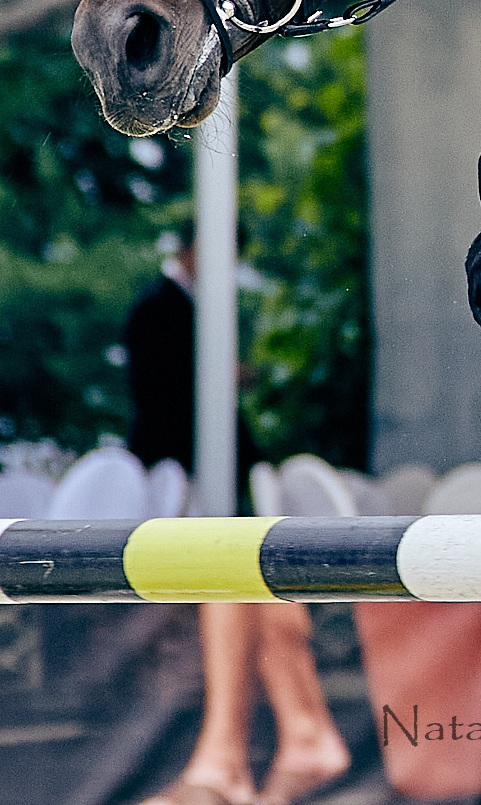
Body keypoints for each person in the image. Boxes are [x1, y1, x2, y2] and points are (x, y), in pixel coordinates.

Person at [127, 240, 353, 805]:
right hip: (189, 464)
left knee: (236, 571)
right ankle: (293, 736)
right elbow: (167, 399)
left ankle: (239, 756)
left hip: (209, 465)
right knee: (236, 570)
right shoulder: (161, 308)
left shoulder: (182, 306)